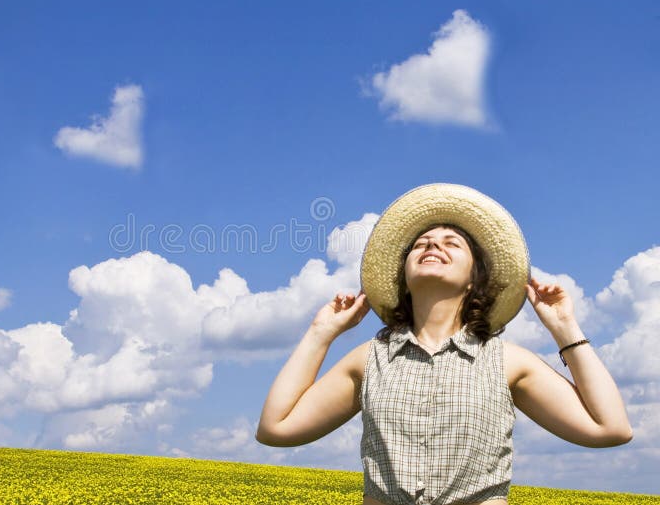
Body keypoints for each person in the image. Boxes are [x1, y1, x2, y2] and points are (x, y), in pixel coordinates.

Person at [255, 183, 632, 505]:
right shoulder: (368, 360)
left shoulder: (508, 361)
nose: (433, 245)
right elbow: (276, 428)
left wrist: (565, 329)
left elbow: (610, 428)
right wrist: (321, 332)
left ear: (473, 279)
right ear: (404, 276)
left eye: (452, 243)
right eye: (422, 243)